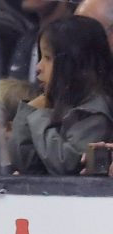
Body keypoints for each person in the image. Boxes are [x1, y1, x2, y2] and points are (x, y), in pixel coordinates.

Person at [9, 16, 113, 175]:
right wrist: (28, 112)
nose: (38, 67)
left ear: (75, 63)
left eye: (48, 58)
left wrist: (39, 117)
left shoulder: (94, 114)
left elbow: (65, 165)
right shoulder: (57, 105)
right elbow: (25, 163)